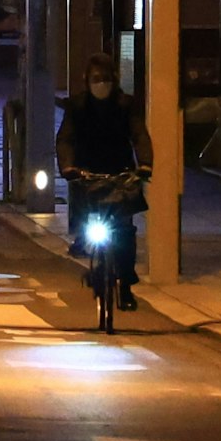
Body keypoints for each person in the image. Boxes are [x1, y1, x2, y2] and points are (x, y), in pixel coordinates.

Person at [57, 52, 146, 306]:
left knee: (125, 230)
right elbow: (65, 139)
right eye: (97, 78)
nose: (101, 83)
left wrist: (145, 165)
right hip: (87, 173)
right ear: (87, 80)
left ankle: (126, 285)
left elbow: (139, 135)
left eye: (106, 78)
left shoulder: (125, 106)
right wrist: (68, 167)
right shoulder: (77, 106)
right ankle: (87, 249)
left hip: (120, 172)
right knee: (86, 222)